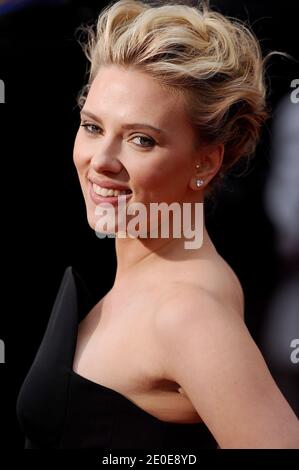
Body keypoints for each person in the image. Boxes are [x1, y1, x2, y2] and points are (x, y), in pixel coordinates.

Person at [16, 0, 299, 449]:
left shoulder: (186, 314)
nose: (101, 161)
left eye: (140, 139)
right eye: (92, 127)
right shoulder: (159, 279)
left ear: (204, 162)